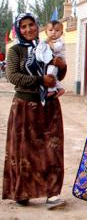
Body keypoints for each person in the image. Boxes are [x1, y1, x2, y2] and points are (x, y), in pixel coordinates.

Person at [2, 13, 67, 209]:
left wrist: (62, 66)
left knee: (52, 149)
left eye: (31, 25)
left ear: (37, 26)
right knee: (23, 151)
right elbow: (13, 76)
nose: (28, 29)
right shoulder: (15, 51)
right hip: (24, 106)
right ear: (18, 30)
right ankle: (22, 192)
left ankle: (52, 193)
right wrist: (39, 81)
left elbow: (58, 74)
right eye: (23, 26)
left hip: (49, 107)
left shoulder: (47, 46)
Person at [42, 20, 66, 98]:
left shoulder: (59, 42)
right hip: (50, 62)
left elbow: (55, 48)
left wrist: (48, 42)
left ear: (61, 33)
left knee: (51, 74)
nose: (53, 32)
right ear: (46, 32)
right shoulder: (46, 42)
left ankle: (52, 90)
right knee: (53, 76)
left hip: (56, 62)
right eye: (51, 30)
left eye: (57, 30)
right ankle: (60, 88)